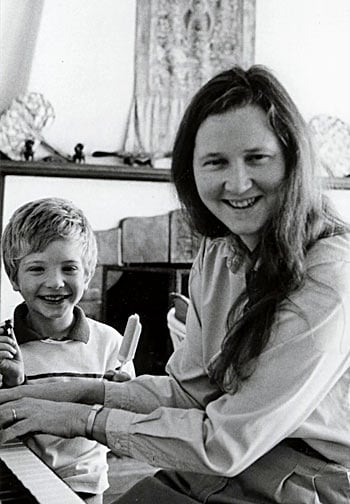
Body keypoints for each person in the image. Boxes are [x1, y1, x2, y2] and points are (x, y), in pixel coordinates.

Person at [1, 65, 350, 503]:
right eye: (215, 162)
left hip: (302, 480)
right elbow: (190, 393)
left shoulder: (331, 275)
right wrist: (64, 392)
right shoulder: (219, 248)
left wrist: (80, 418)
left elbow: (224, 442)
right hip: (222, 463)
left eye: (257, 157)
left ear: (292, 158)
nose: (237, 183)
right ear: (191, 170)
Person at [0, 197, 134, 504]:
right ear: (14, 278)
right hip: (19, 482)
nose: (55, 282)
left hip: (86, 487)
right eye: (37, 269)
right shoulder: (4, 346)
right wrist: (13, 384)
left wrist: (120, 397)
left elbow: (121, 430)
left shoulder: (110, 343)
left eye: (69, 268)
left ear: (86, 275)